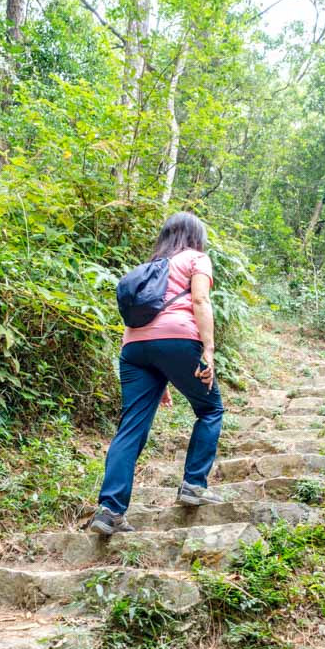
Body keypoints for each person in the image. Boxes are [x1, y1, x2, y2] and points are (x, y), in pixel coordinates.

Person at [90, 212, 226, 536]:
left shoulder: (151, 268)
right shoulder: (197, 259)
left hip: (134, 350)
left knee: (131, 427)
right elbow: (200, 299)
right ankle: (194, 484)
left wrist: (157, 374)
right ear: (197, 237)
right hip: (178, 339)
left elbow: (138, 318)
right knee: (210, 409)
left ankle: (109, 510)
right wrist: (208, 350)